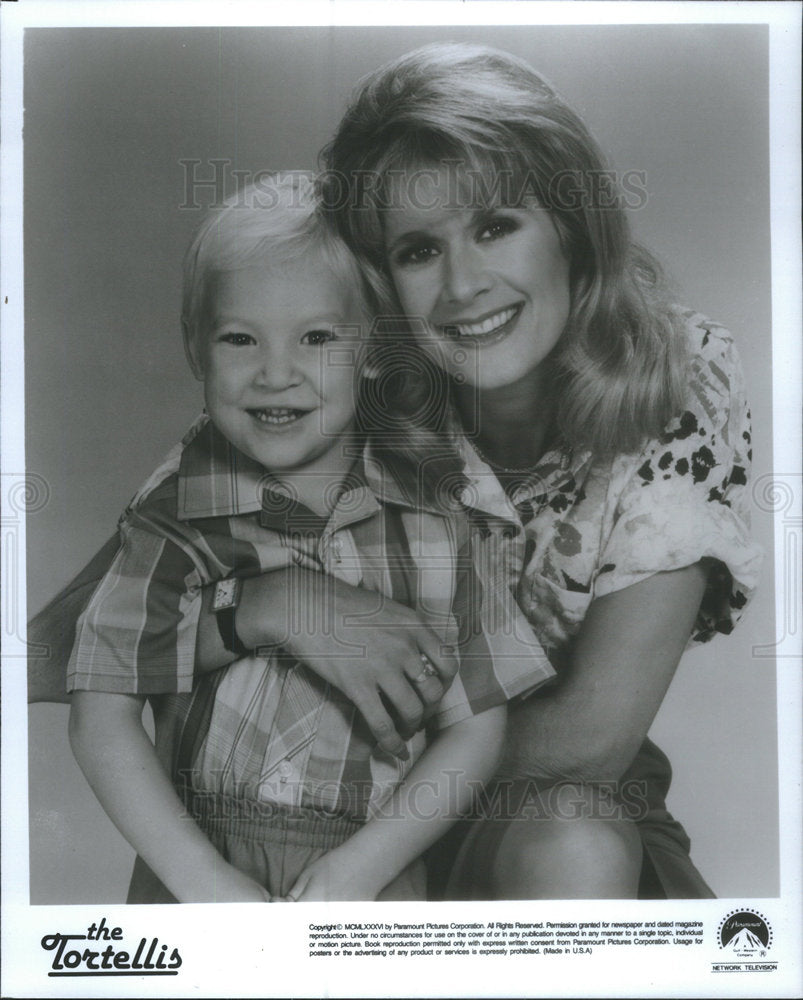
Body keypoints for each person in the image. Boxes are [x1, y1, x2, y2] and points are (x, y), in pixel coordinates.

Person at [311, 42, 763, 899]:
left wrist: (330, 748)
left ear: (568, 225)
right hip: (322, 824)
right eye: (416, 250)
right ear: (379, 281)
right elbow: (83, 632)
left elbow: (592, 734)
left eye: (494, 226)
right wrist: (264, 608)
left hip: (538, 809)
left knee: (575, 841)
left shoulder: (678, 372)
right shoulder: (345, 380)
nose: (463, 286)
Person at [65, 173, 553, 903]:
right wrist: (204, 885)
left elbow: (474, 730)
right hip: (198, 862)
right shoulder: (169, 517)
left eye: (317, 337)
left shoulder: (443, 516)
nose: (276, 373)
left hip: (371, 870)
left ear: (372, 351)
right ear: (197, 351)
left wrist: (361, 868)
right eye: (239, 338)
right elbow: (99, 718)